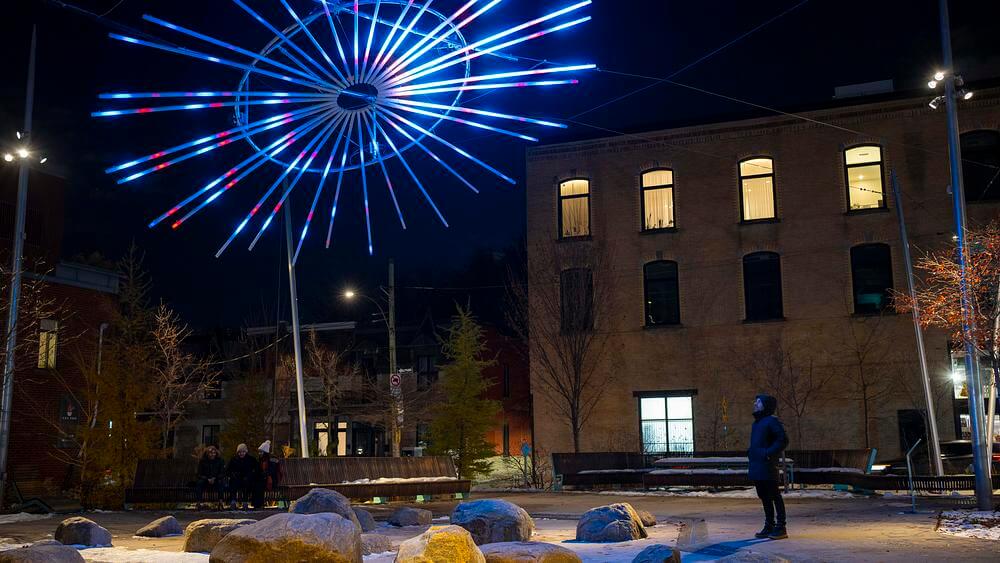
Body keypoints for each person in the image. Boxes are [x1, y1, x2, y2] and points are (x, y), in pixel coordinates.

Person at [748, 394, 789, 540]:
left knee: (774, 495)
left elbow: (783, 440)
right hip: (757, 464)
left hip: (767, 465)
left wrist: (768, 453)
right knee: (764, 496)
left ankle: (781, 526)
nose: (755, 404)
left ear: (766, 405)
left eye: (758, 402)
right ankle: (769, 525)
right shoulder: (757, 423)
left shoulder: (771, 421)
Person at [226, 443, 259, 510]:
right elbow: (228, 470)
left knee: (246, 485)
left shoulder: (251, 459)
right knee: (233, 484)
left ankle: (245, 502)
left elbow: (256, 470)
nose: (241, 453)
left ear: (246, 452)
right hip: (236, 478)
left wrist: (249, 476)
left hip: (246, 478)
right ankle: (233, 502)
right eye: (240, 452)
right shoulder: (234, 459)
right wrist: (233, 475)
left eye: (243, 452)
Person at [253, 440, 282, 509]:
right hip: (265, 478)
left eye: (261, 452)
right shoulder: (261, 459)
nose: (259, 453)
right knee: (256, 483)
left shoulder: (272, 459)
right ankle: (257, 504)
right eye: (259, 452)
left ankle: (259, 504)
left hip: (272, 479)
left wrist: (263, 475)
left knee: (259, 485)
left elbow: (272, 471)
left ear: (265, 452)